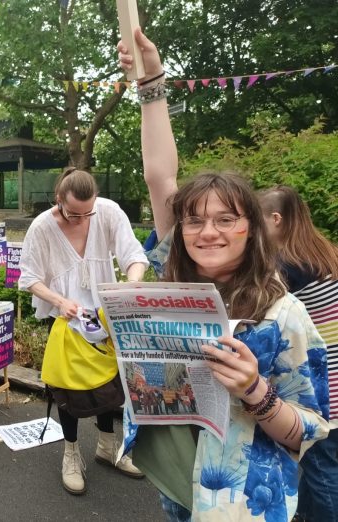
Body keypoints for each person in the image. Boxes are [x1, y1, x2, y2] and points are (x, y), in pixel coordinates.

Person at [120, 28, 331, 520]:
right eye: (194, 219)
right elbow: (159, 176)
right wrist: (150, 79)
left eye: (225, 220)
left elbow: (309, 431)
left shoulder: (283, 313)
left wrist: (257, 393)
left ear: (251, 229)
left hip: (240, 505)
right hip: (176, 489)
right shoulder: (175, 291)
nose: (206, 231)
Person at [18, 166, 149, 494]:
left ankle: (107, 447)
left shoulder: (107, 212)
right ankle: (71, 454)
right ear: (59, 199)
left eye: (86, 212)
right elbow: (29, 277)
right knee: (69, 390)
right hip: (66, 318)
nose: (81, 219)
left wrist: (128, 287)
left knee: (107, 385)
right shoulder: (42, 227)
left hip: (103, 315)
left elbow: (135, 256)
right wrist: (59, 301)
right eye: (73, 213)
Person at [258, 185, 338, 521]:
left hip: (323, 390)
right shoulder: (323, 253)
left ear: (275, 219)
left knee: (322, 471)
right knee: (326, 465)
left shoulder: (286, 265)